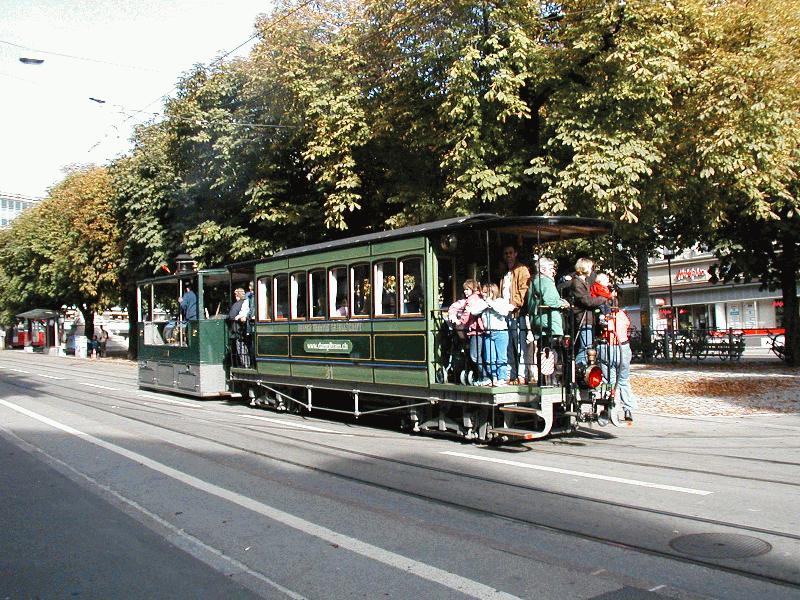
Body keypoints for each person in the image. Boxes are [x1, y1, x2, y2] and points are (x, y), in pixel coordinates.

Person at [569, 257, 609, 367]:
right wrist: (603, 298)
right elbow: (587, 301)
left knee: (587, 346)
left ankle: (581, 370)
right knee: (585, 347)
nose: (592, 270)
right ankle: (576, 370)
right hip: (582, 318)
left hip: (588, 318)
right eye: (590, 267)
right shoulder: (577, 283)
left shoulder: (584, 282)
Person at [600, 306, 637, 422]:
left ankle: (609, 407)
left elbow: (604, 327)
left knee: (610, 381)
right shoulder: (623, 315)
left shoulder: (605, 317)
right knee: (623, 380)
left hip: (609, 347)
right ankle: (628, 410)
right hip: (624, 347)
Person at [500, 245, 531, 384]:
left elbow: (524, 289)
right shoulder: (506, 273)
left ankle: (522, 375)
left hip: (518, 313)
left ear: (516, 254)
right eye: (506, 253)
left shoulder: (522, 270)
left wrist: (514, 304)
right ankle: (510, 374)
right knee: (509, 345)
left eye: (511, 253)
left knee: (520, 345)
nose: (508, 255)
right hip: (505, 313)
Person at [480, 283, 514, 386]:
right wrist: (486, 304)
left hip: (500, 332)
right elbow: (474, 310)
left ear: (492, 293)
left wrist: (491, 303)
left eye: (486, 292)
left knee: (501, 357)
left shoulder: (500, 301)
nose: (484, 294)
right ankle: (493, 376)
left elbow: (503, 312)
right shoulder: (483, 302)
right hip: (488, 333)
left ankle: (502, 378)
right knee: (489, 357)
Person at [458, 279, 489, 384]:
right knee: (479, 354)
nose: (465, 292)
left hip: (475, 330)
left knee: (474, 355)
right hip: (478, 329)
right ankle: (482, 376)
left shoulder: (471, 300)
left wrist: (460, 322)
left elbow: (467, 314)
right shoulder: (479, 297)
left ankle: (485, 376)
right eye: (464, 290)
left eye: (467, 289)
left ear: (472, 289)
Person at [229, 288, 250, 367]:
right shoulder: (246, 302)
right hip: (244, 328)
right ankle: (247, 363)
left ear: (236, 295)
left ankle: (245, 364)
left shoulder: (236, 305)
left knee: (241, 348)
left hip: (238, 329)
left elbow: (231, 316)